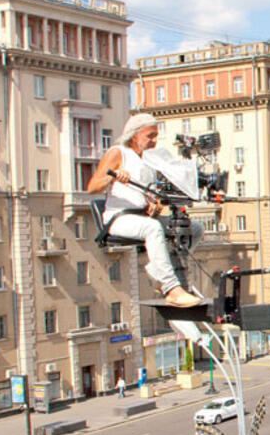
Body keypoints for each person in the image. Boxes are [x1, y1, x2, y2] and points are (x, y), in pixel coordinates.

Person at [86, 113, 203, 308]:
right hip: (119, 218)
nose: (154, 141)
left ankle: (164, 274)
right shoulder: (118, 153)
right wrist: (113, 178)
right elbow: (92, 186)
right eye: (150, 136)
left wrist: (154, 203)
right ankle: (171, 288)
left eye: (156, 136)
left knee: (194, 229)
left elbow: (149, 191)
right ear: (134, 135)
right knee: (152, 228)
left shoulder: (149, 160)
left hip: (141, 216)